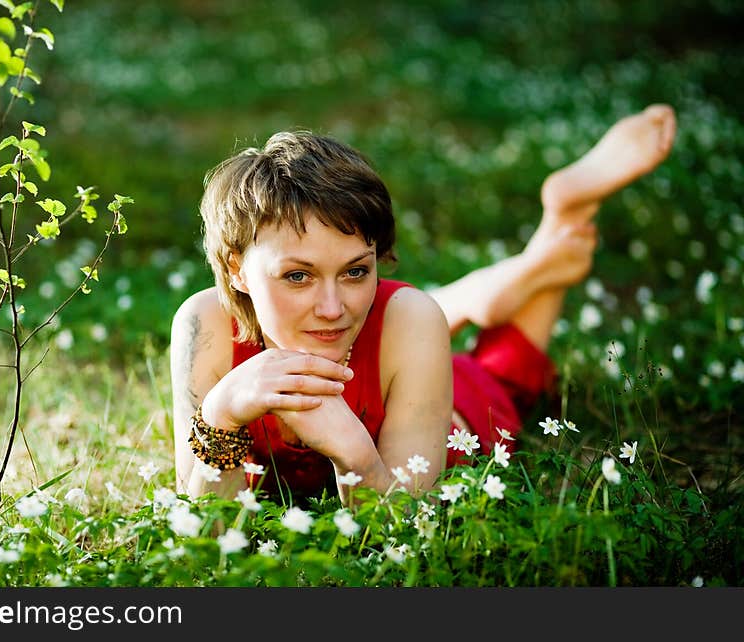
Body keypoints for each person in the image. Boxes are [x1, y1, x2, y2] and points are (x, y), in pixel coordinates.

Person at [170, 104, 677, 505]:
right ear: (236, 269)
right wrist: (220, 414)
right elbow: (206, 530)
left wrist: (355, 456)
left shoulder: (407, 321)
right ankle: (485, 288)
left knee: (508, 373)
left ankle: (567, 214)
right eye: (297, 276)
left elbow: (404, 527)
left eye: (356, 271)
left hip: (459, 409)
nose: (332, 307)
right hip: (403, 343)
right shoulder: (207, 326)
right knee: (408, 315)